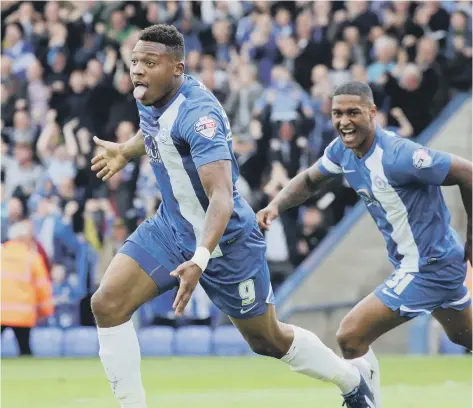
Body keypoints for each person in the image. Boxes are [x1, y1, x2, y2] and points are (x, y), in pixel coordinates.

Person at [90, 25, 376, 408]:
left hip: (224, 240)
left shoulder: (199, 115)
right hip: (171, 229)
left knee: (267, 340)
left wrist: (200, 259)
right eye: (135, 61)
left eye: (149, 63)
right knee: (107, 304)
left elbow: (221, 199)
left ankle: (352, 382)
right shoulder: (150, 93)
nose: (138, 70)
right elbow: (156, 131)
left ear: (177, 68)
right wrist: (126, 150)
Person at [257, 80, 473, 407]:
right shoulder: (342, 152)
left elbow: (467, 172)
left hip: (428, 267)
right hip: (426, 265)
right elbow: (309, 180)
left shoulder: (400, 155)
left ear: (373, 113)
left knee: (350, 334)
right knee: (463, 336)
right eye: (337, 113)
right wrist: (275, 205)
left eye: (353, 113)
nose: (344, 121)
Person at [1, 220, 54, 355]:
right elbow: (42, 287)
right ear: (24, 238)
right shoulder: (32, 258)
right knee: (25, 350)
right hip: (23, 314)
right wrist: (45, 311)